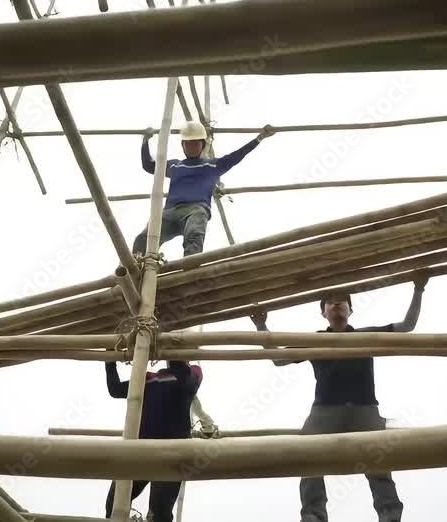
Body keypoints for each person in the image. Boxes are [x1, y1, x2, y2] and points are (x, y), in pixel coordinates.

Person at [251, 278, 428, 522]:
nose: (336, 304)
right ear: (323, 313)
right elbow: (278, 359)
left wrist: (419, 289)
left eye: (342, 301)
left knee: (378, 463)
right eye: (330, 302)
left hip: (365, 410)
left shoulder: (366, 335)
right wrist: (261, 325)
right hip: (325, 411)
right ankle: (313, 515)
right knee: (307, 456)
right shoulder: (314, 341)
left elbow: (407, 326)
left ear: (350, 310)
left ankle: (389, 514)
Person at [133, 121, 276, 258]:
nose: (192, 147)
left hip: (195, 209)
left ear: (202, 145)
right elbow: (149, 165)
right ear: (183, 146)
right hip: (170, 212)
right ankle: (135, 265)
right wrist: (145, 141)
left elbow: (237, 155)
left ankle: (190, 266)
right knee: (143, 239)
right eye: (188, 144)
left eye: (195, 143)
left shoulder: (212, 166)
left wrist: (260, 137)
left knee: (194, 236)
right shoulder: (175, 166)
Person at [103, 360, 203, 522]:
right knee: (115, 506)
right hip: (145, 452)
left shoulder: (190, 374)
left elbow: (185, 374)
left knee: (159, 513)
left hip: (170, 455)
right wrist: (110, 363)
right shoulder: (149, 379)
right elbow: (115, 390)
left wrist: (111, 363)